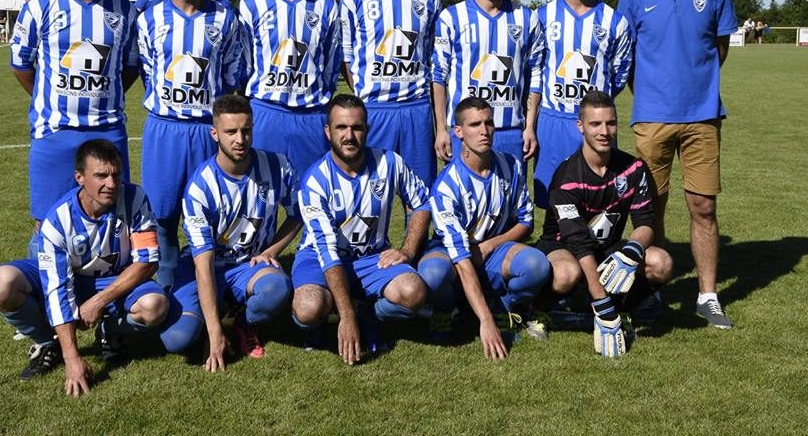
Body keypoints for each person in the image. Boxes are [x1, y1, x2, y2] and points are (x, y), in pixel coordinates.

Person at [617, 0, 738, 329]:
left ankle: (708, 295)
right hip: (652, 119)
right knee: (651, 209)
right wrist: (652, 96)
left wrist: (693, 88)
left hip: (702, 117)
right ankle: (652, 291)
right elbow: (627, 58)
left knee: (703, 205)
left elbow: (719, 49)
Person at [0, 140, 168, 397]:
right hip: (69, 279)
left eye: (116, 174)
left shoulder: (135, 198)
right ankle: (47, 343)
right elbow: (57, 286)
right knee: (2, 282)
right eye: (101, 176)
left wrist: (98, 302)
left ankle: (110, 330)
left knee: (154, 306)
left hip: (112, 281)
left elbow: (147, 262)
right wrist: (72, 359)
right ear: (79, 177)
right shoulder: (57, 221)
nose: (111, 183)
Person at [10, 0, 139, 232]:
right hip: (55, 131)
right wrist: (48, 96)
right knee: (48, 221)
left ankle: (112, 281)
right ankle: (44, 280)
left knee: (116, 219)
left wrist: (103, 95)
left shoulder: (123, 9)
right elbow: (20, 64)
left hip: (107, 130)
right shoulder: (39, 7)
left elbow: (131, 66)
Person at [159, 95, 301, 366]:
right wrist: (214, 334)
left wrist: (271, 251)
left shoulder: (277, 166)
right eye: (231, 132)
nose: (240, 139)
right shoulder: (200, 188)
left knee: (276, 289)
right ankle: (208, 320)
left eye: (246, 130)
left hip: (247, 266)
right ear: (215, 134)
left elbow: (297, 215)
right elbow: (204, 264)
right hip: (205, 266)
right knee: (176, 339)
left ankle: (242, 321)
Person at [136, 0, 244, 288]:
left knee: (212, 211)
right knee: (162, 213)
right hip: (164, 129)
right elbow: (147, 73)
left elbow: (232, 78)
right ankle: (165, 283)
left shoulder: (224, 20)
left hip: (205, 129)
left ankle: (215, 284)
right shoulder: (150, 18)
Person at [291, 94, 430, 365]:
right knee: (308, 309)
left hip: (372, 257)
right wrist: (346, 317)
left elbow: (422, 202)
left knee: (414, 293)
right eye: (341, 128)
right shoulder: (316, 180)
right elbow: (328, 251)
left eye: (356, 127)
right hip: (319, 257)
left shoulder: (389, 162)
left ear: (367, 129)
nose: (349, 135)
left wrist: (407, 249)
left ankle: (369, 313)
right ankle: (329, 318)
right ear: (328, 131)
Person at [536, 90, 673, 356]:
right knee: (567, 274)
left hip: (606, 248)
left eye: (610, 123)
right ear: (581, 126)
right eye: (595, 124)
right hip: (563, 248)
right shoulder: (566, 177)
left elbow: (646, 222)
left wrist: (633, 250)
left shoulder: (633, 168)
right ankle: (539, 309)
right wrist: (602, 306)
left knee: (661, 262)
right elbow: (578, 243)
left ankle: (625, 307)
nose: (604, 131)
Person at [418, 97, 552, 360]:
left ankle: (505, 306)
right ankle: (448, 308)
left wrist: (491, 245)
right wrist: (485, 321)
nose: (484, 130)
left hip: (495, 250)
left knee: (537, 266)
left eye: (489, 123)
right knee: (432, 273)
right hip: (455, 257)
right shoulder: (446, 186)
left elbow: (526, 221)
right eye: (475, 124)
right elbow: (461, 256)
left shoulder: (511, 166)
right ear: (458, 132)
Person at [340, 0, 442, 185]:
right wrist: (365, 93)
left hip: (416, 110)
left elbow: (433, 57)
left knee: (421, 194)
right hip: (373, 110)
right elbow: (347, 56)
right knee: (367, 193)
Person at [236, 0, 342, 178]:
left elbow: (331, 67)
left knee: (312, 199)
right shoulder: (252, 5)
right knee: (260, 201)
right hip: (266, 114)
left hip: (311, 117)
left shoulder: (326, 7)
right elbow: (244, 66)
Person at [533, 0, 632, 207]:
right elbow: (534, 68)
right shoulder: (542, 17)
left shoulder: (615, 21)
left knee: (600, 198)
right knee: (553, 200)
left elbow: (620, 73)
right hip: (553, 122)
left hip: (595, 124)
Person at [432, 0, 544, 165]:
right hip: (464, 134)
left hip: (510, 132)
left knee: (511, 199)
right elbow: (438, 76)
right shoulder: (452, 18)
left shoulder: (526, 18)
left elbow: (535, 75)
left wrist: (530, 126)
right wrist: (442, 129)